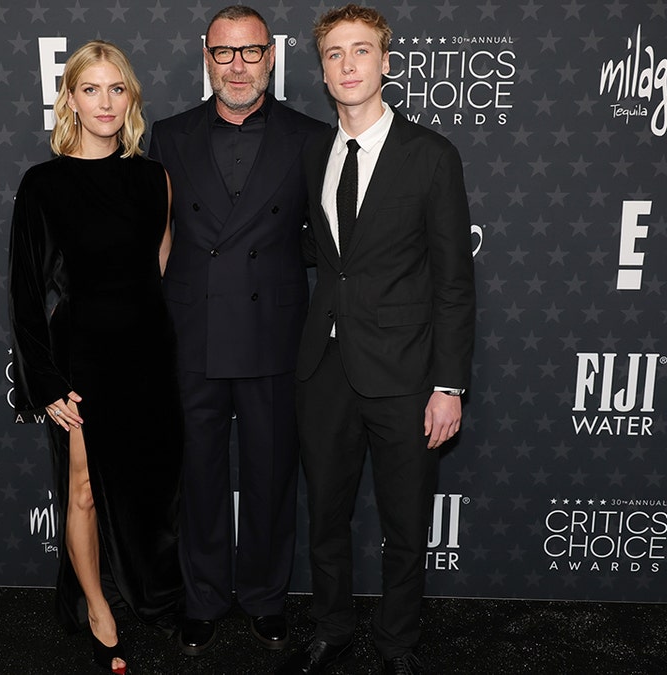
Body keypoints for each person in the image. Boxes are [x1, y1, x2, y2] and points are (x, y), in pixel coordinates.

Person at [279, 5, 476, 675]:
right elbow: (327, 252)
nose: (349, 64)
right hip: (324, 368)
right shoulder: (313, 154)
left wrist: (448, 384)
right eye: (335, 54)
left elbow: (454, 280)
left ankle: (397, 644)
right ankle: (332, 627)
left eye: (361, 51)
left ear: (386, 62)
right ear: (324, 70)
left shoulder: (431, 156)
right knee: (326, 520)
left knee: (404, 527)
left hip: (406, 374)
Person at [148, 4, 328, 657]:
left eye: (251, 52)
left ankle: (263, 597)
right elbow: (160, 236)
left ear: (271, 57)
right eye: (225, 52)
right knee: (196, 473)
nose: (238, 65)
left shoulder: (311, 136)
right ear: (206, 56)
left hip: (274, 332)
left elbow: (329, 242)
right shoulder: (168, 135)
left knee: (271, 473)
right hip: (192, 329)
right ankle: (201, 598)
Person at [8, 40, 183, 675]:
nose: (105, 102)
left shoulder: (152, 177)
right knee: (81, 489)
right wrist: (46, 380)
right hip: (82, 356)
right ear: (71, 100)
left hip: (147, 352)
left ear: (130, 98)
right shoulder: (44, 184)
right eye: (91, 90)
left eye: (117, 89)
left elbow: (156, 269)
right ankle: (98, 609)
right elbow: (26, 294)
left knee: (147, 486)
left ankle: (150, 591)